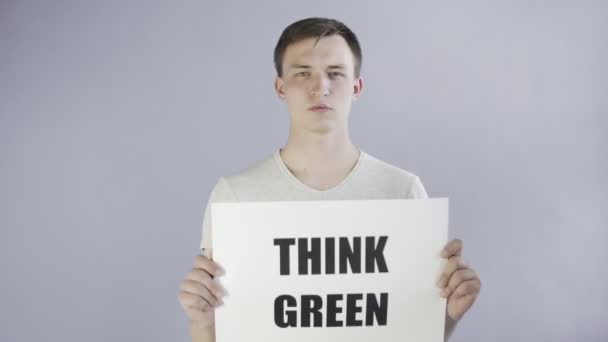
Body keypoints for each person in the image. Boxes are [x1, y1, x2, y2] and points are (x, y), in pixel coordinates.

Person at [178, 17, 481, 342]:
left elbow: (407, 331)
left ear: (356, 87)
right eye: (302, 73)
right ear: (281, 87)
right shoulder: (235, 196)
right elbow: (219, 328)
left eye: (335, 73)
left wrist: (445, 317)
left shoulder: (403, 192)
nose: (319, 87)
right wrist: (202, 323)